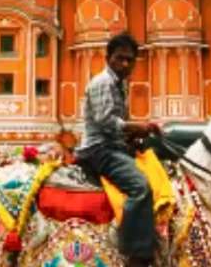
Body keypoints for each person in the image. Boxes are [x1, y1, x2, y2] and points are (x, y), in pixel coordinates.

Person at [74, 32, 158, 267]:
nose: (125, 64)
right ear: (107, 58)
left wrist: (138, 135)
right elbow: (107, 122)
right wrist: (137, 127)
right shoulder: (104, 83)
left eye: (130, 60)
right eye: (120, 58)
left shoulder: (119, 84)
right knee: (140, 187)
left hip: (114, 147)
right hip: (100, 150)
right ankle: (136, 255)